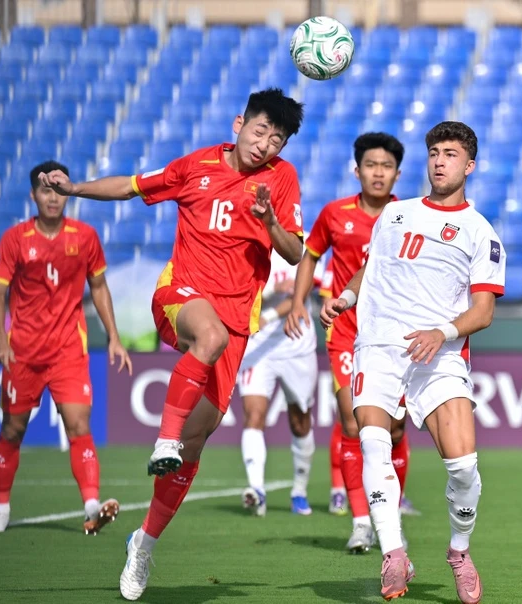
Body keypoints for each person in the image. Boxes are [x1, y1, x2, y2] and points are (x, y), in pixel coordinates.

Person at [38, 88, 304, 602]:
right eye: (259, 130)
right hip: (180, 294)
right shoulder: (195, 165)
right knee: (207, 337)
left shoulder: (283, 179)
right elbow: (130, 187)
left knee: (193, 446)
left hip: (236, 319)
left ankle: (143, 542)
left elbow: (293, 253)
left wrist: (269, 218)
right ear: (238, 123)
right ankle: (163, 438)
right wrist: (74, 189)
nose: (265, 143)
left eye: (277, 138)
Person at [320, 122, 505, 603]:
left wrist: (440, 332)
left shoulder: (479, 231)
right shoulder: (395, 214)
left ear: (470, 165)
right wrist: (344, 296)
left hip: (439, 353)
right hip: (378, 345)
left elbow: (483, 312)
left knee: (464, 468)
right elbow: (370, 268)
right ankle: (393, 552)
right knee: (373, 444)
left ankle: (459, 552)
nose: (440, 161)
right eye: (434, 153)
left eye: (450, 154)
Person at [285, 132, 418, 553]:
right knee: (352, 422)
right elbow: (309, 256)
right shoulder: (334, 214)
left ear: (397, 173)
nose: (378, 173)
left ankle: (389, 512)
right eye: (370, 165)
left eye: (386, 166)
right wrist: (297, 303)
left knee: (395, 428)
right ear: (356, 169)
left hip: (395, 335)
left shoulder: (409, 215)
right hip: (345, 332)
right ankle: (361, 522)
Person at [0, 161, 133, 534]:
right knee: (13, 430)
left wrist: (113, 335)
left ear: (67, 191)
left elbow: (98, 287)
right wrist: (0, 339)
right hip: (23, 352)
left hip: (69, 349)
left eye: (58, 189)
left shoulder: (84, 237)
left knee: (79, 425)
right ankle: (0, 508)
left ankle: (92, 506)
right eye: (45, 190)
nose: (52, 198)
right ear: (33, 195)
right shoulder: (15, 239)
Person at [237, 248, 324, 517]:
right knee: (254, 415)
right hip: (258, 347)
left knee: (300, 420)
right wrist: (274, 288)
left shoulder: (305, 245)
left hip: (296, 343)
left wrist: (269, 313)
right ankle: (257, 490)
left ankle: (299, 491)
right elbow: (238, 295)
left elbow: (304, 288)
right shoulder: (246, 247)